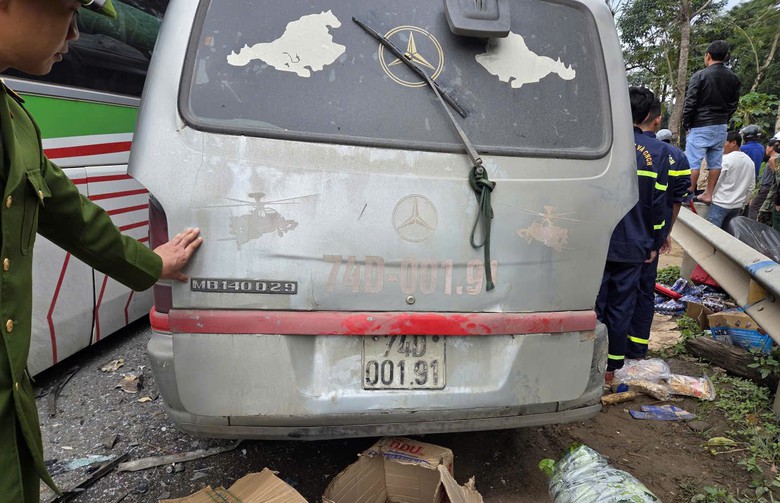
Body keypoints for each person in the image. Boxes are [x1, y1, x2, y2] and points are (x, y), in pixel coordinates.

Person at [0, 1, 202, 501]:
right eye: (65, 11)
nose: (74, 33)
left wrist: (155, 263)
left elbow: (72, 216)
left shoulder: (14, 119)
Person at [596, 87, 668, 380]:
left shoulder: (605, 144)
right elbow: (659, 204)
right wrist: (656, 241)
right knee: (622, 305)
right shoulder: (659, 152)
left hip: (600, 242)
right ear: (650, 116)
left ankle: (588, 365)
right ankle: (612, 369)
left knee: (595, 302)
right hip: (635, 245)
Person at [627, 126, 689, 360]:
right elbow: (675, 200)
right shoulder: (674, 156)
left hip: (620, 235)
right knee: (643, 291)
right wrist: (664, 234)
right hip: (648, 235)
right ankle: (637, 350)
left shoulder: (619, 146)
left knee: (614, 292)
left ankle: (613, 349)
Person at [683, 40, 741, 204]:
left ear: (708, 56)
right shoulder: (734, 78)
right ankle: (708, 194)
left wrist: (686, 123)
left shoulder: (700, 75)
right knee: (715, 161)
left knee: (693, 160)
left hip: (701, 124)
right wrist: (724, 118)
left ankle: (688, 193)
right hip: (721, 125)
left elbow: (691, 102)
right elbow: (733, 104)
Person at [707, 130, 755, 229]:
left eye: (724, 142)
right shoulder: (750, 162)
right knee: (727, 235)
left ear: (733, 143)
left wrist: (711, 195)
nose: (722, 146)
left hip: (719, 204)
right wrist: (743, 204)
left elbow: (717, 180)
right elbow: (751, 186)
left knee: (712, 234)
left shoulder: (725, 160)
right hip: (736, 206)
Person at [749, 137, 778, 220]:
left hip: (767, 188)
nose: (766, 149)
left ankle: (751, 226)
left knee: (753, 207)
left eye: (767, 147)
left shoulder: (773, 160)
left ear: (771, 148)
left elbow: (776, 176)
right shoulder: (774, 159)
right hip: (767, 188)